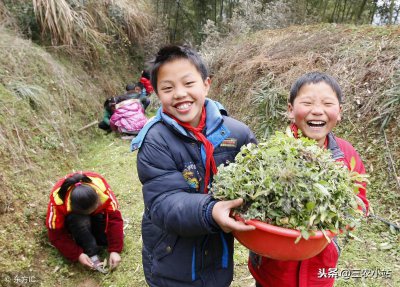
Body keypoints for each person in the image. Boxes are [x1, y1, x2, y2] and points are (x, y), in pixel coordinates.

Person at [130, 44, 257, 287]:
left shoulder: (237, 133)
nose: (179, 94)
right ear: (156, 93)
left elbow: (260, 179)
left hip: (218, 256)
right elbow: (163, 201)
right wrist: (210, 211)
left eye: (188, 84)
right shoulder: (155, 140)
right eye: (168, 88)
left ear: (206, 84)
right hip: (171, 259)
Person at [248, 72, 369, 287]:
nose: (317, 110)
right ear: (290, 109)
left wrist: (349, 215)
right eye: (307, 102)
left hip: (320, 270)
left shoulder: (346, 154)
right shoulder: (272, 152)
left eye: (327, 103)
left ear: (339, 112)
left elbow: (360, 202)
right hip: (274, 271)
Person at [46, 171, 123, 272]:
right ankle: (92, 254)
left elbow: (114, 218)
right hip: (76, 221)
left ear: (97, 195)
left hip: (98, 215)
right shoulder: (57, 203)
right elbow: (56, 235)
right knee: (77, 220)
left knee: (104, 240)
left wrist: (115, 250)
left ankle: (99, 235)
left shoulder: (100, 185)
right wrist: (78, 254)